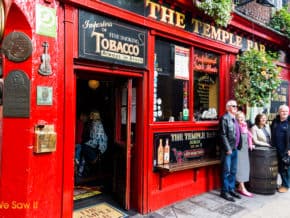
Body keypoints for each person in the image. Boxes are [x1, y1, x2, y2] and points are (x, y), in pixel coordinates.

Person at [219, 99, 241, 202]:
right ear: (228, 108)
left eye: (236, 106)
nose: (235, 108)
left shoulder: (234, 119)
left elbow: (237, 133)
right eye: (233, 106)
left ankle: (231, 189)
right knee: (226, 171)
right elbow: (222, 134)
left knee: (233, 170)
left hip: (235, 149)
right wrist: (227, 148)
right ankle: (224, 191)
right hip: (228, 150)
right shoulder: (224, 118)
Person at [271, 104, 290, 193]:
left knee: (285, 168)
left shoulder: (289, 122)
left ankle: (286, 185)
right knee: (278, 168)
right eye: (282, 111)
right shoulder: (275, 121)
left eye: (286, 111)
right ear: (279, 112)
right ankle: (282, 184)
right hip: (275, 149)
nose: (284, 113)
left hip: (285, 150)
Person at [236, 111, 254, 197]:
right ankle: (243, 188)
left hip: (245, 150)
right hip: (239, 150)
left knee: (245, 167)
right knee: (240, 168)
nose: (241, 118)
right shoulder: (236, 126)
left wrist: (250, 144)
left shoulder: (245, 125)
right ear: (236, 118)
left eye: (242, 116)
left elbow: (249, 136)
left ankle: (240, 187)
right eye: (239, 117)